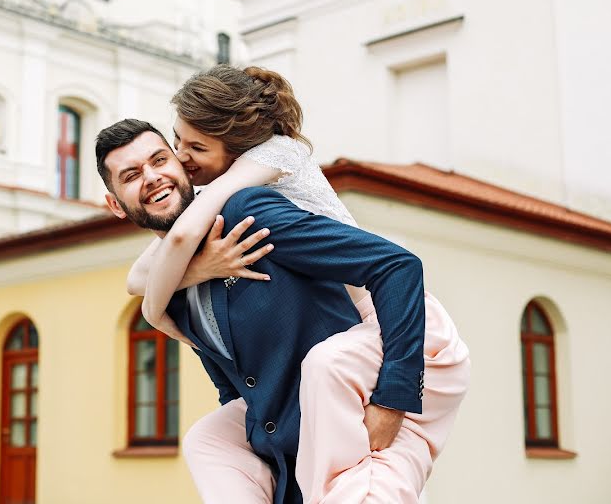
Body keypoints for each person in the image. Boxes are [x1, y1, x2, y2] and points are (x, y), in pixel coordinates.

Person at [96, 117, 469, 504]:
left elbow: (396, 266)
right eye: (131, 175)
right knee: (203, 439)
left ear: (180, 162)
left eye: (159, 160)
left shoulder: (248, 213)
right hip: (287, 478)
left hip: (362, 454)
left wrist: (392, 400)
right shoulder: (169, 288)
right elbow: (235, 390)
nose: (152, 176)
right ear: (115, 205)